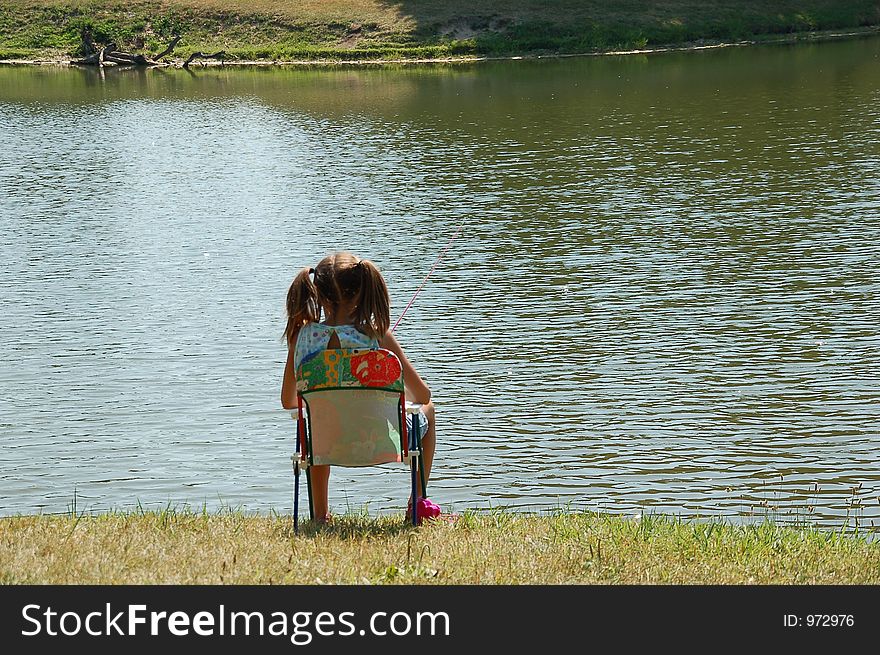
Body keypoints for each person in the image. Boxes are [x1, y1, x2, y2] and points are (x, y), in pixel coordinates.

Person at [281, 251, 435, 523]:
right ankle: (417, 503)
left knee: (318, 418)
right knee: (429, 410)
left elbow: (289, 401)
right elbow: (422, 395)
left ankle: (320, 515)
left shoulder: (301, 337)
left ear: (317, 292)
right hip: (381, 441)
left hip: (324, 444)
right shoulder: (378, 335)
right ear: (363, 290)